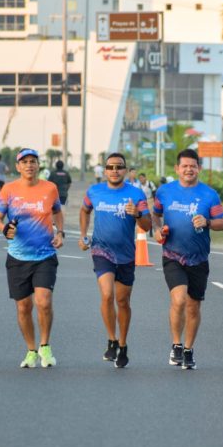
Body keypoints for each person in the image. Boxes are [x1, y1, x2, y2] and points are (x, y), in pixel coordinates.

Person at [152, 149, 223, 370]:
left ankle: (188, 349)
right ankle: (176, 344)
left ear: (199, 168)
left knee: (193, 306)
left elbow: (222, 223)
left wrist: (207, 222)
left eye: (193, 166)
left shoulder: (209, 195)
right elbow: (155, 215)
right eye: (184, 166)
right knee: (179, 300)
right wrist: (157, 230)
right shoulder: (165, 192)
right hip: (173, 255)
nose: (189, 169)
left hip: (199, 258)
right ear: (177, 169)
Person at [0, 148, 65, 368]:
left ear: (38, 165)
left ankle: (45, 346)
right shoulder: (9, 189)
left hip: (45, 255)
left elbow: (57, 212)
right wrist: (4, 228)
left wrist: (60, 232)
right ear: (18, 166)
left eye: (33, 161)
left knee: (43, 302)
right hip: (17, 256)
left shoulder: (50, 188)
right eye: (25, 162)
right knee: (23, 307)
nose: (29, 165)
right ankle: (31, 350)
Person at [79, 153, 152, 368]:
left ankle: (123, 344)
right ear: (105, 170)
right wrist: (84, 235)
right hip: (102, 252)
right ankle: (111, 339)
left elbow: (147, 226)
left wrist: (138, 215)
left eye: (119, 167)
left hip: (126, 255)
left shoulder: (136, 194)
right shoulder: (95, 191)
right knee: (107, 294)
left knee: (122, 301)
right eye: (110, 167)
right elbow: (84, 210)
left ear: (125, 170)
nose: (114, 170)